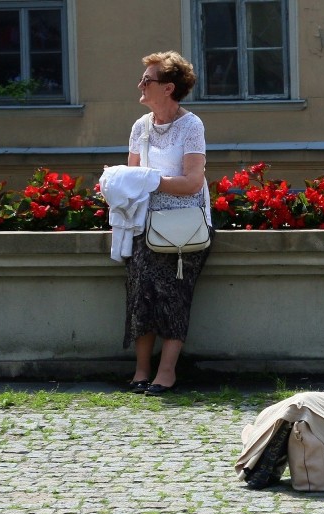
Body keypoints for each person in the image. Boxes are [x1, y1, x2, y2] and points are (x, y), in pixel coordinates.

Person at [124, 51, 213, 396]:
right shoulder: (140, 127)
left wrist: (149, 180)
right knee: (140, 295)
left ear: (168, 88)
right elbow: (131, 176)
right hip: (145, 225)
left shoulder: (191, 126)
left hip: (184, 226)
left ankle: (166, 372)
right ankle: (141, 370)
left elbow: (192, 182)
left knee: (174, 296)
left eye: (148, 80)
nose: (141, 85)